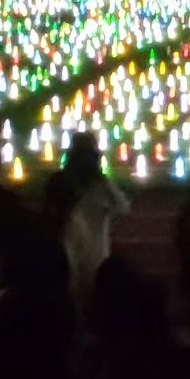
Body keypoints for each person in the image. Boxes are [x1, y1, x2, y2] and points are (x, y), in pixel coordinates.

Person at [48, 133, 128, 313]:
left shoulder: (97, 184)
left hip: (82, 247)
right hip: (85, 247)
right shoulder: (96, 185)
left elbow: (122, 206)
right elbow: (122, 206)